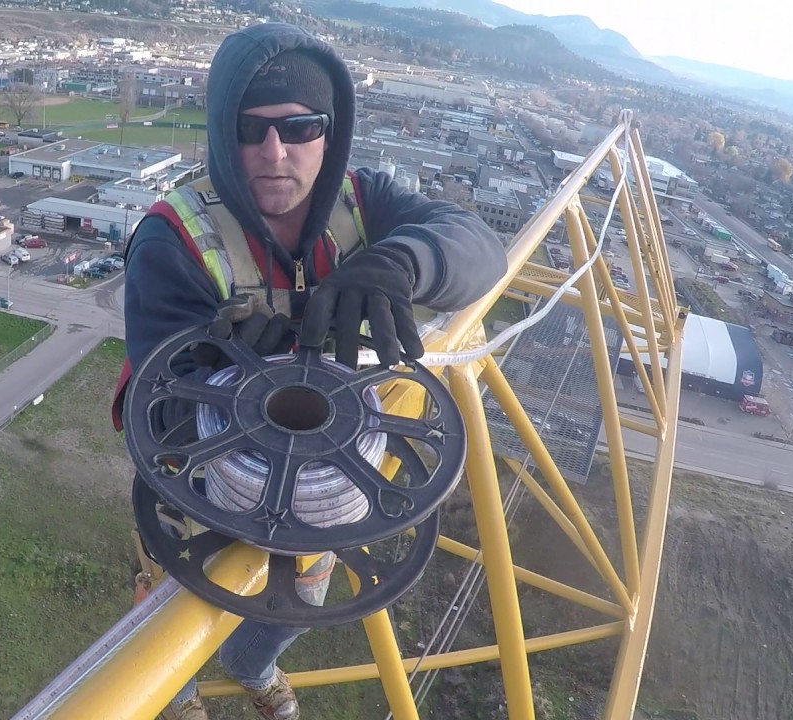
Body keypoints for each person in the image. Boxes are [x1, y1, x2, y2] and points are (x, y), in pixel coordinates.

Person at [111, 22, 508, 720]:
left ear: (330, 135)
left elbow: (479, 247)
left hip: (323, 480)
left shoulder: (364, 203)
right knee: (171, 617)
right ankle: (178, 696)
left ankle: (250, 666)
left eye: (300, 128)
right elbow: (161, 420)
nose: (274, 153)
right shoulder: (173, 240)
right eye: (249, 128)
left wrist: (402, 262)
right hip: (199, 495)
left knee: (299, 601)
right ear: (220, 133)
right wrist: (227, 366)